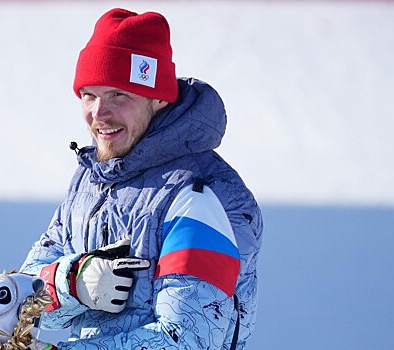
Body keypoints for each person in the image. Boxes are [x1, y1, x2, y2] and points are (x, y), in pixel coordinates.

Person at [19, 8, 263, 350]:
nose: (99, 114)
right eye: (89, 94)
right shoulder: (90, 184)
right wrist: (70, 282)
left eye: (119, 95)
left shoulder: (200, 195)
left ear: (158, 97)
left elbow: (187, 339)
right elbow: (19, 304)